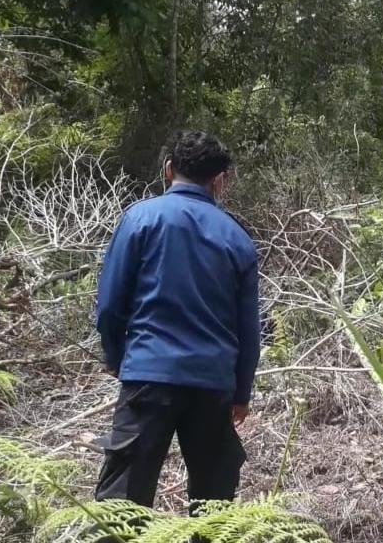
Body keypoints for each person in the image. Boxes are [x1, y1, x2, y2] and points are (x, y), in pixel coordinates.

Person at [94, 131, 260, 509]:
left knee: (122, 502)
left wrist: (122, 360)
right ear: (220, 180)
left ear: (168, 170)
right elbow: (249, 330)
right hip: (212, 383)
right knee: (214, 504)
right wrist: (241, 393)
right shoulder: (237, 238)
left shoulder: (139, 219)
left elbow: (108, 307)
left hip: (148, 374)